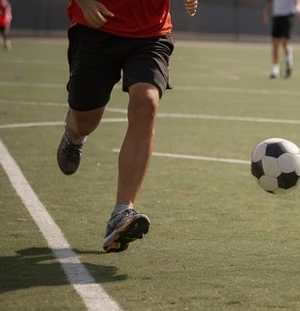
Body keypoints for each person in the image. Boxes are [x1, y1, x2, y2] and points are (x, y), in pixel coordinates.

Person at [57, 0, 198, 253]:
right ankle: (74, 136)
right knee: (85, 121)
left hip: (151, 33)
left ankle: (122, 212)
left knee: (147, 103)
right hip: (96, 25)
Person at [262, 0, 300, 79]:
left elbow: (298, 1)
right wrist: (265, 11)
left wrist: (299, 7)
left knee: (284, 42)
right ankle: (275, 69)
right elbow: (270, 1)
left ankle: (289, 60)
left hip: (288, 15)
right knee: (275, 43)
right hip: (277, 15)